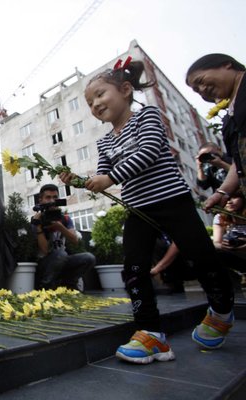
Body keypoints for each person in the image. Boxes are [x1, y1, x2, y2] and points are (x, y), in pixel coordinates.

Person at [60, 58, 235, 365]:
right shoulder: (104, 143)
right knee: (134, 269)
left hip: (172, 200)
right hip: (138, 209)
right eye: (89, 103)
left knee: (201, 255)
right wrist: (79, 181)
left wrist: (110, 178)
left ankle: (221, 310)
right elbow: (102, 176)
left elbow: (150, 151)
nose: (95, 104)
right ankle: (150, 333)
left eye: (100, 95)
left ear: (126, 89)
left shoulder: (147, 117)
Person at [186, 54, 246, 209]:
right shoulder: (229, 119)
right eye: (197, 90)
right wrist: (223, 192)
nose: (202, 90)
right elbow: (238, 163)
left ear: (226, 64)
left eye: (200, 81)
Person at [31, 184, 95, 291]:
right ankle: (45, 288)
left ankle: (70, 284)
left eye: (55, 197)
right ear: (40, 200)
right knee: (61, 254)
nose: (52, 201)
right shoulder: (37, 220)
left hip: (63, 260)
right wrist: (38, 227)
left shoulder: (65, 219)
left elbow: (75, 240)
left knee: (88, 258)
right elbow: (45, 250)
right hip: (44, 264)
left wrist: (60, 227)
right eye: (48, 197)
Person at [212, 192, 246, 289]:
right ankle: (234, 278)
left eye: (234, 197)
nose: (229, 202)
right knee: (213, 253)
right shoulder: (220, 217)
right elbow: (216, 243)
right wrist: (223, 245)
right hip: (236, 254)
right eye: (226, 199)